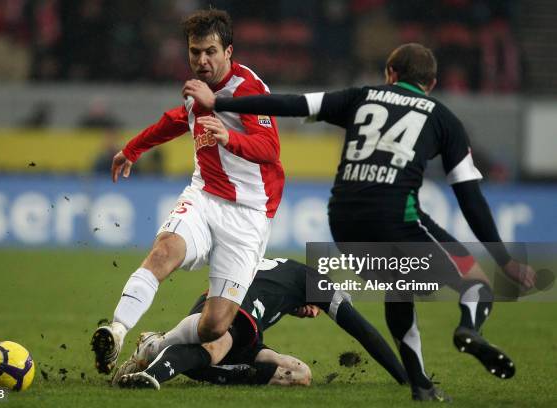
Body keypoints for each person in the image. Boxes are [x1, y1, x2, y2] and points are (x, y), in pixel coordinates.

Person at [183, 43, 537, 401]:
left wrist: (222, 103)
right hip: (395, 215)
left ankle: (420, 385)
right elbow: (469, 195)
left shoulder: (361, 97)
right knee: (477, 284)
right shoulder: (444, 119)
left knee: (400, 288)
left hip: (343, 222)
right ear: (430, 84)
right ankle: (468, 330)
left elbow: (292, 104)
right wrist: (505, 259)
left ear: (390, 74)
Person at [91, 9, 284, 375]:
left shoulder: (249, 89)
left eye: (210, 51)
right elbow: (179, 119)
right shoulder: (197, 89)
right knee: (165, 250)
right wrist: (132, 148)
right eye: (194, 52)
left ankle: (156, 345)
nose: (202, 60)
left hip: (248, 213)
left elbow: (269, 149)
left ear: (229, 51)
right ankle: (116, 330)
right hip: (204, 197)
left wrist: (230, 137)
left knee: (214, 325)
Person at [112, 258, 408, 389]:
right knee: (218, 345)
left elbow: (274, 290)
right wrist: (405, 378)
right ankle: (155, 368)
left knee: (299, 374)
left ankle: (175, 356)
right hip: (229, 307)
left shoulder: (291, 278)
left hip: (249, 330)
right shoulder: (316, 282)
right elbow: (363, 331)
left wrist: (292, 306)